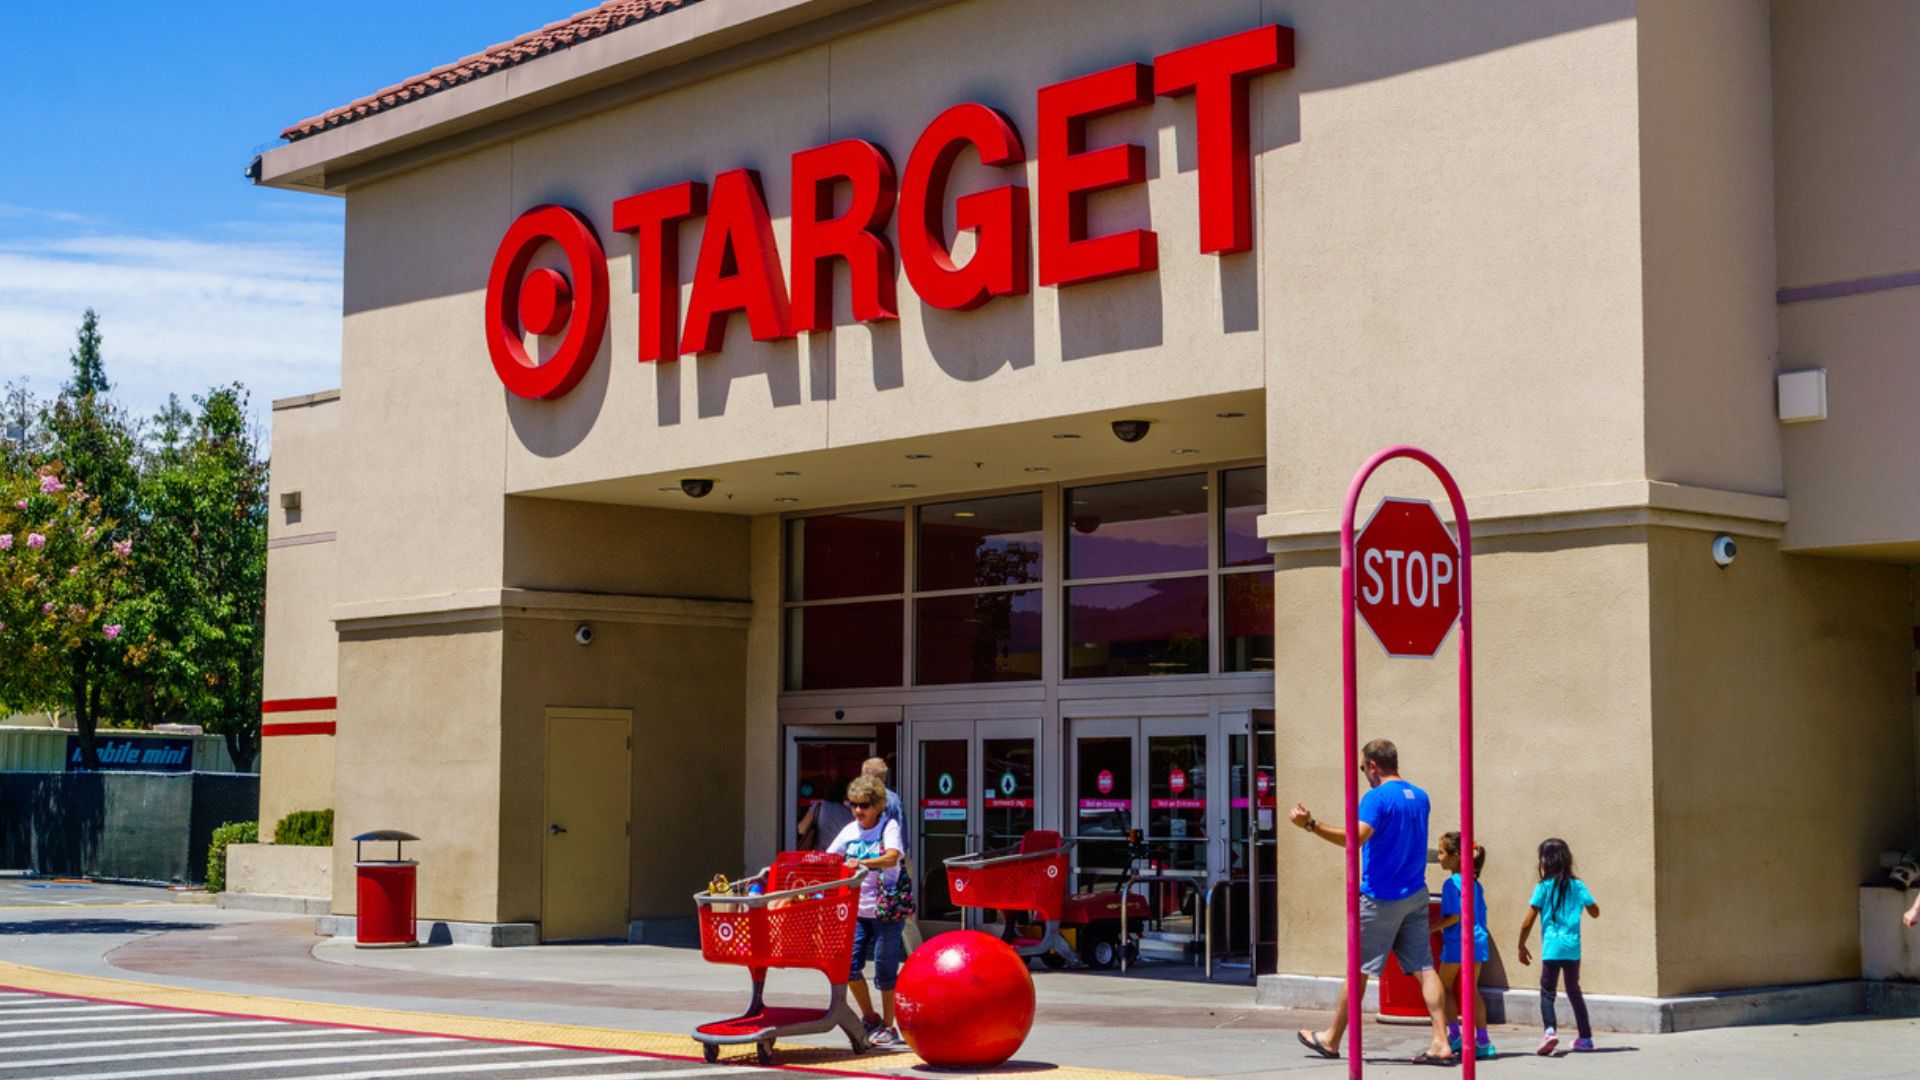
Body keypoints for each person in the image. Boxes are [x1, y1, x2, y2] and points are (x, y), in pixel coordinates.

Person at [1289, 739, 1454, 1066]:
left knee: (1359, 970)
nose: (1364, 773)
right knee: (1424, 966)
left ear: (1373, 766)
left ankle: (1332, 1039)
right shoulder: (1420, 797)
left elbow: (1356, 838)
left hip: (1381, 897)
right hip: (1415, 894)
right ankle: (1441, 1041)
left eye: (1363, 767)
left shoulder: (1376, 798)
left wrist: (1310, 824)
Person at [829, 774, 907, 1048]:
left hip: (885, 909)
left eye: (864, 805)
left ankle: (890, 1026)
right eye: (854, 805)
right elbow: (830, 857)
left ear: (878, 805)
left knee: (885, 970)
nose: (858, 811)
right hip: (857, 911)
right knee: (849, 966)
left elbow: (892, 856)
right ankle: (870, 1017)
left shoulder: (889, 825)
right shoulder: (850, 831)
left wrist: (862, 862)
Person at [1517, 837, 1599, 1055]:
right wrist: (1584, 905)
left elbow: (1527, 921)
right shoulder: (1578, 885)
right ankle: (1586, 1038)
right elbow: (1595, 911)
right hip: (1572, 949)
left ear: (1545, 862)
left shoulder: (1543, 887)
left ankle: (1550, 1031)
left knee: (1547, 991)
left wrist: (1521, 945)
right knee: (1574, 990)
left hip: (1552, 948)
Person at [1434, 832, 1494, 1059]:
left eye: (1441, 852)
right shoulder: (1474, 883)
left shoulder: (1451, 884)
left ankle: (1455, 1035)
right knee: (1472, 990)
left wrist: (1429, 929)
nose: (1438, 857)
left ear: (1456, 856)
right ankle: (1483, 1040)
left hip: (1457, 943)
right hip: (1477, 942)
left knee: (1443, 988)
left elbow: (1453, 917)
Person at [862, 756, 923, 951]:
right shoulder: (893, 798)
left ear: (867, 776)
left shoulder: (877, 802)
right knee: (902, 915)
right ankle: (916, 956)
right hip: (899, 861)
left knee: (891, 914)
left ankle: (910, 957)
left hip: (885, 863)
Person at [797, 778, 855, 853]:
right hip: (841, 856)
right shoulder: (851, 812)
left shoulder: (818, 807)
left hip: (819, 855)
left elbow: (801, 828)